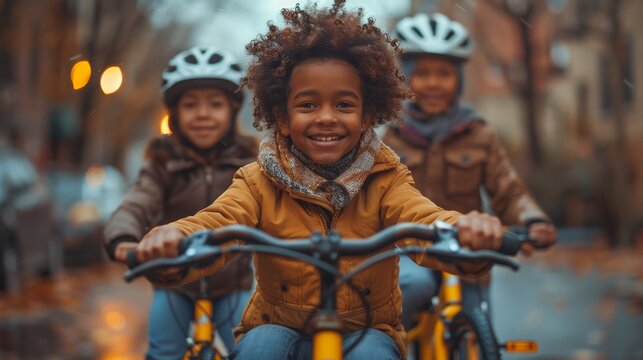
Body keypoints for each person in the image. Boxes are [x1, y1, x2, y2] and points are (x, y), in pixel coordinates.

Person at [132, 2, 507, 359]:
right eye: (308, 105)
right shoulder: (256, 181)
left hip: (366, 326)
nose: (326, 118)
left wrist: (464, 229)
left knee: (373, 354)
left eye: (344, 105)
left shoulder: (387, 178)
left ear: (366, 116)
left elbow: (423, 218)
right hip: (277, 323)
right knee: (258, 351)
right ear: (282, 117)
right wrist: (175, 237)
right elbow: (217, 221)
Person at [382, 12, 557, 329]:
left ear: (458, 80)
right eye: (422, 73)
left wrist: (532, 219)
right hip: (410, 250)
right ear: (405, 78)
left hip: (469, 247)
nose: (433, 83)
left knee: (478, 317)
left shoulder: (478, 133)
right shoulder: (389, 137)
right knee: (410, 290)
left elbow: (508, 188)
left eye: (444, 74)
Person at [103, 46, 257, 359]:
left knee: (249, 350)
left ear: (232, 111)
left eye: (215, 104)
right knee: (163, 351)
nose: (202, 114)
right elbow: (137, 202)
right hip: (176, 285)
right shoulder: (163, 163)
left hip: (234, 286)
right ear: (174, 114)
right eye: (190, 105)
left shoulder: (251, 162)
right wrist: (123, 239)